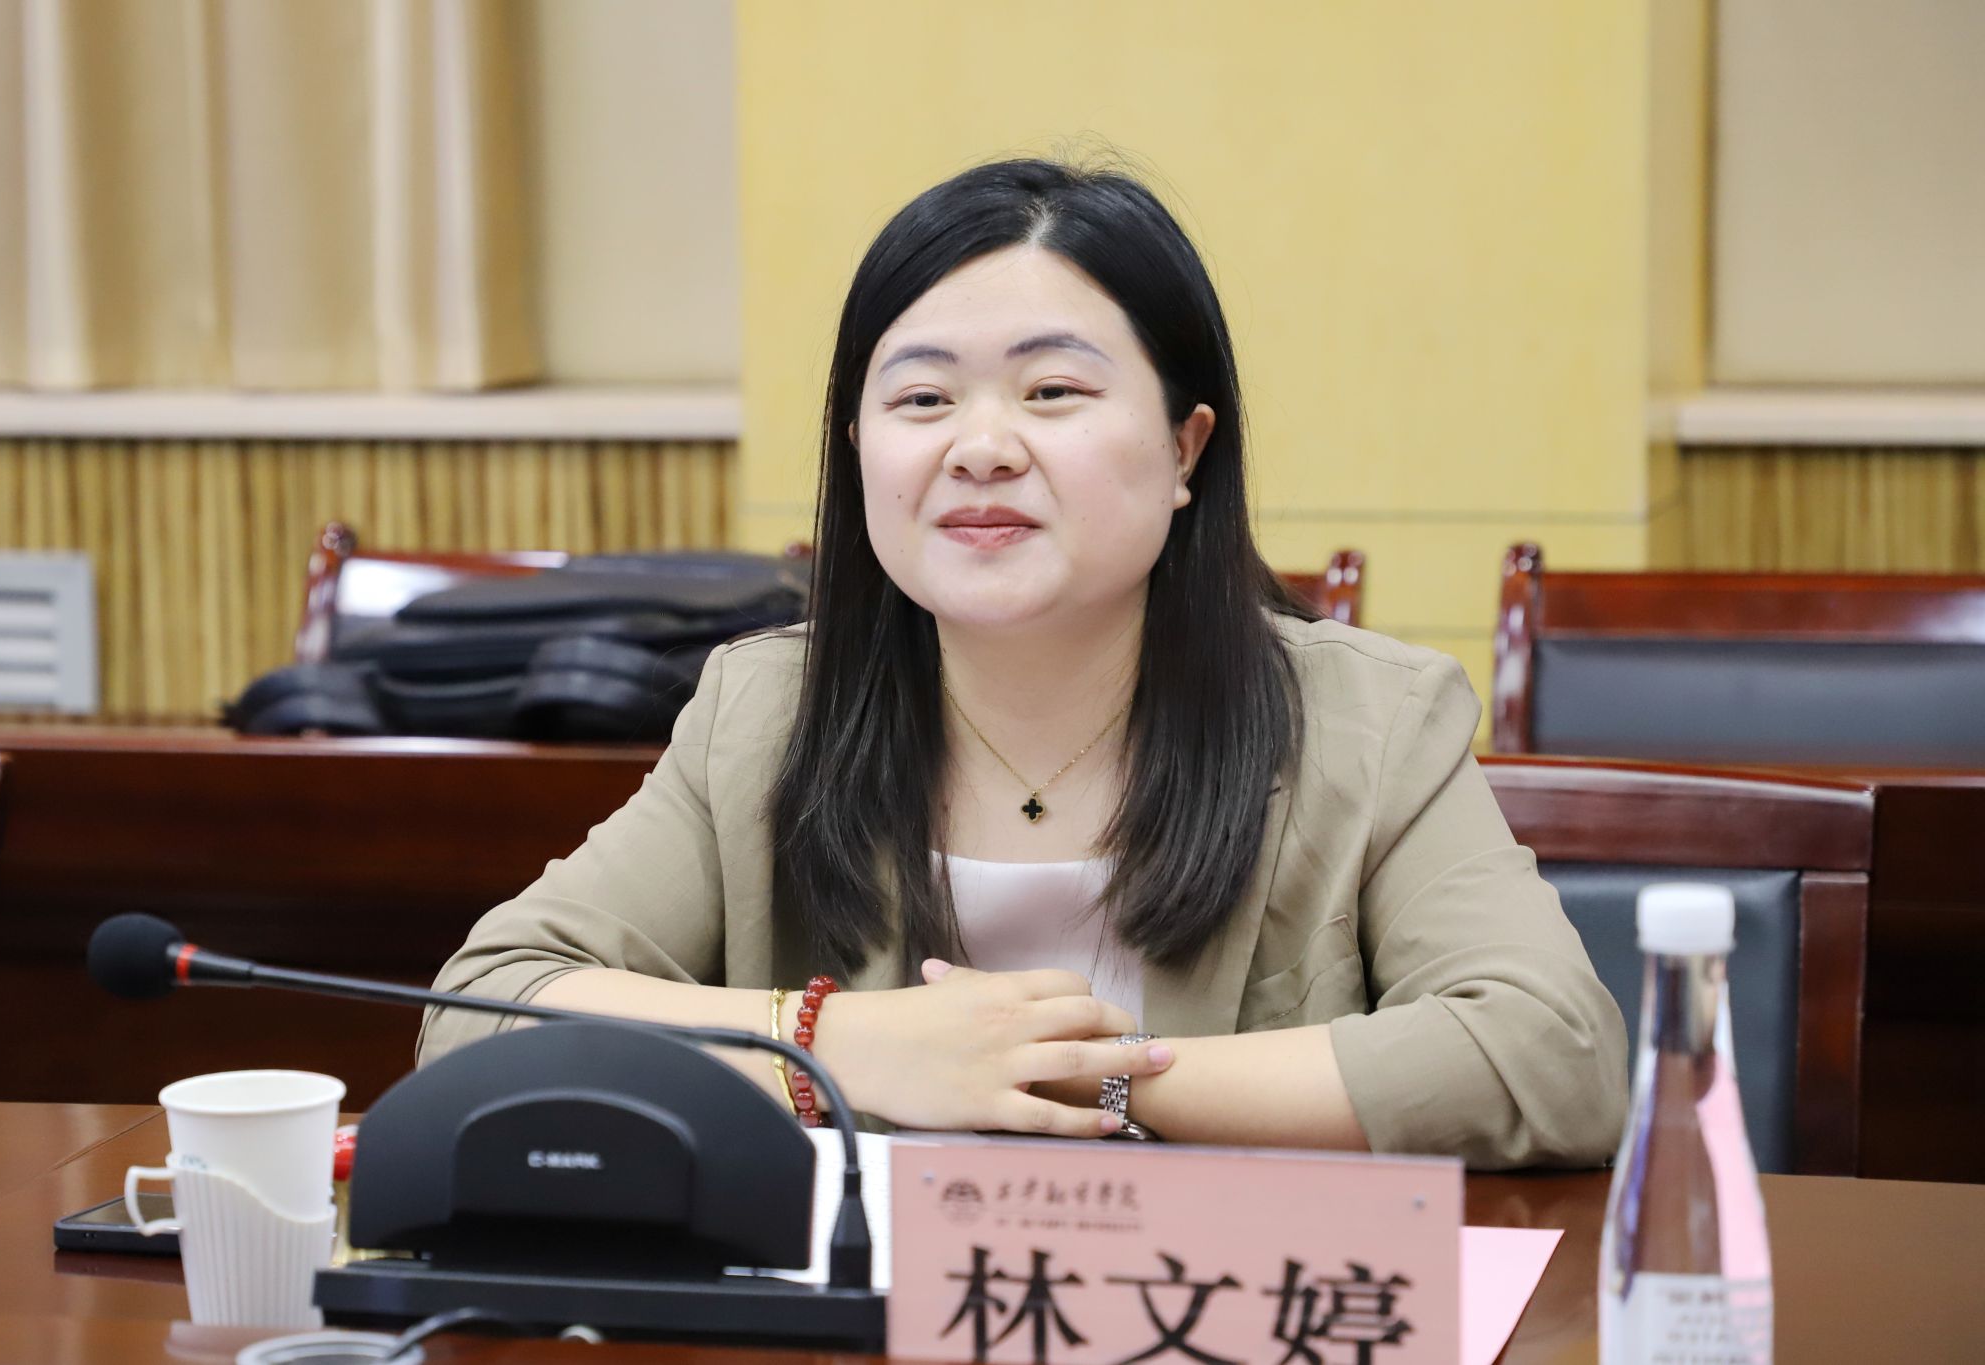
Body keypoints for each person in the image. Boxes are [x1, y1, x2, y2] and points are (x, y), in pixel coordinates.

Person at [420, 157, 1625, 1168]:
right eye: (921, 399)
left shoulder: (1367, 720)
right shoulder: (765, 712)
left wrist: (1080, 1078)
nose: (981, 447)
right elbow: (482, 1009)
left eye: (1051, 391)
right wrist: (835, 1045)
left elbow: (1552, 1056)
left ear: (1184, 447)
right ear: (857, 446)